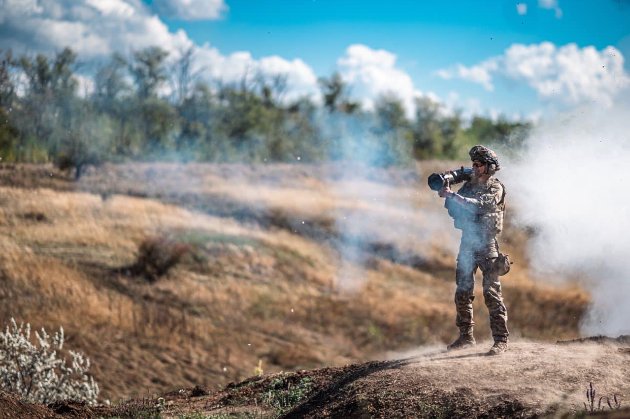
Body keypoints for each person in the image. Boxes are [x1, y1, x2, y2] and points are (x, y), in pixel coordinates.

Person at [437, 145, 509, 356]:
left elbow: (481, 205)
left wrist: (455, 197)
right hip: (468, 242)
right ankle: (466, 337)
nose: (474, 168)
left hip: (487, 244)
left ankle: (501, 340)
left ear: (489, 167)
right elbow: (454, 209)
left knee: (491, 293)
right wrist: (448, 197)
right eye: (473, 164)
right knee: (463, 291)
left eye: (478, 164)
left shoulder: (496, 188)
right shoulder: (469, 186)